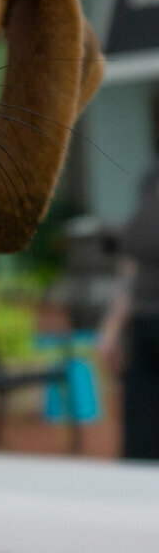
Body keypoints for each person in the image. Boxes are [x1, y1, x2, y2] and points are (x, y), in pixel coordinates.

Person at [99, 89, 159, 461]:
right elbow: (133, 263)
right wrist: (111, 328)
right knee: (139, 444)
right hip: (146, 322)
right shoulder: (152, 177)